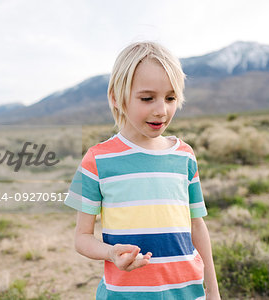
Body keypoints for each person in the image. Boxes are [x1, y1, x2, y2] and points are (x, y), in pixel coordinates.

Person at [65, 41, 220, 300]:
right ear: (116, 97)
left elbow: (197, 225)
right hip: (125, 294)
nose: (161, 110)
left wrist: (212, 290)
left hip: (187, 292)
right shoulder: (97, 160)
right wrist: (110, 253)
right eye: (147, 98)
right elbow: (82, 238)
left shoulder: (184, 156)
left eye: (170, 98)